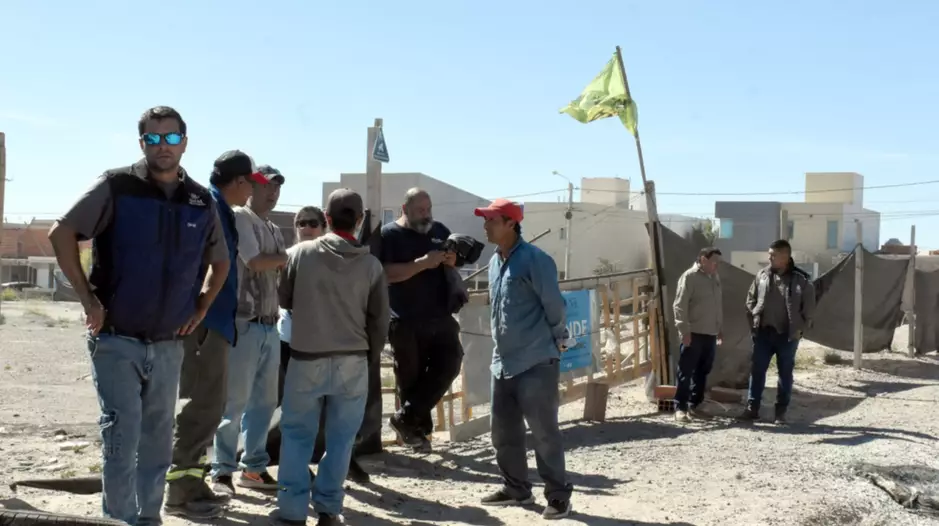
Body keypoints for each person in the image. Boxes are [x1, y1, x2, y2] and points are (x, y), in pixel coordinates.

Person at [47, 106, 230, 526]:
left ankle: (149, 519)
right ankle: (118, 520)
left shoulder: (199, 200)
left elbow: (220, 260)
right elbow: (62, 233)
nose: (163, 146)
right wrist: (88, 300)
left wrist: (202, 305)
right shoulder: (116, 186)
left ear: (185, 143)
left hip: (168, 344)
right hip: (116, 339)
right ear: (142, 143)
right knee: (121, 436)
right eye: (153, 138)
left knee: (158, 442)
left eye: (171, 138)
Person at [276, 189, 390, 526]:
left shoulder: (301, 254)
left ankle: (292, 511)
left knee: (297, 435)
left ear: (326, 218)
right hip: (353, 360)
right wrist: (369, 357)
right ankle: (328, 509)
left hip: (306, 357)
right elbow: (379, 320)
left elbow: (285, 299)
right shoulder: (371, 265)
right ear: (359, 220)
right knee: (341, 439)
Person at [164, 151, 268, 519]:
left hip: (214, 322)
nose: (251, 192)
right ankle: (180, 493)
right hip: (207, 323)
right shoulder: (210, 207)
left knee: (208, 408)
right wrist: (203, 306)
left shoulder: (215, 206)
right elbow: (208, 264)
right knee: (201, 407)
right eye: (250, 185)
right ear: (238, 182)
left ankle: (192, 483)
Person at [474, 198, 573, 520]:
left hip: (536, 360)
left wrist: (558, 338)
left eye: (491, 220)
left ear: (511, 224)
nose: (485, 226)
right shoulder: (494, 262)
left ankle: (558, 496)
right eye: (485, 220)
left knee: (544, 433)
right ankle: (516, 488)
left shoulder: (536, 260)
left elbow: (554, 305)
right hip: (503, 362)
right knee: (503, 432)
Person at [211, 165, 286, 495]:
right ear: (251, 186)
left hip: (270, 324)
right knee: (234, 403)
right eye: (267, 185)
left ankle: (253, 468)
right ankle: (221, 471)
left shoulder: (273, 227)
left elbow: (275, 268)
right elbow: (255, 261)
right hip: (245, 322)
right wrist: (284, 257)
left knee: (265, 403)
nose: (273, 192)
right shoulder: (241, 217)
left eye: (277, 187)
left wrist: (280, 258)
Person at [369, 188, 462, 451]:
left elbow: (453, 263)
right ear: (405, 209)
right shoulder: (389, 235)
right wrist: (421, 263)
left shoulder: (440, 230)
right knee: (411, 378)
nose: (426, 215)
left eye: (429, 209)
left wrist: (452, 260)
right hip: (405, 319)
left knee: (451, 362)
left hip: (440, 314)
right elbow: (384, 274)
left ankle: (405, 419)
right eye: (420, 210)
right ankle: (417, 435)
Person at [740, 239, 816, 424]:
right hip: (763, 334)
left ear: (785, 257)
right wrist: (753, 319)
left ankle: (780, 412)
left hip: (787, 336)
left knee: (784, 374)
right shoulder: (762, 276)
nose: (769, 258)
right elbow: (750, 300)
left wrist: (800, 330)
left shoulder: (801, 280)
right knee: (757, 371)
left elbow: (809, 310)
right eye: (769, 254)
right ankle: (752, 408)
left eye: (773, 255)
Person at [671, 247, 724, 423]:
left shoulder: (714, 277)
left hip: (710, 332)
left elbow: (717, 305)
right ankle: (680, 408)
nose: (717, 265)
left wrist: (719, 328)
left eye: (718, 262)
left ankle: (696, 404)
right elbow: (679, 306)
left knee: (703, 371)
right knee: (686, 371)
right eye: (714, 261)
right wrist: (684, 331)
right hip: (693, 333)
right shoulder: (689, 277)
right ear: (703, 259)